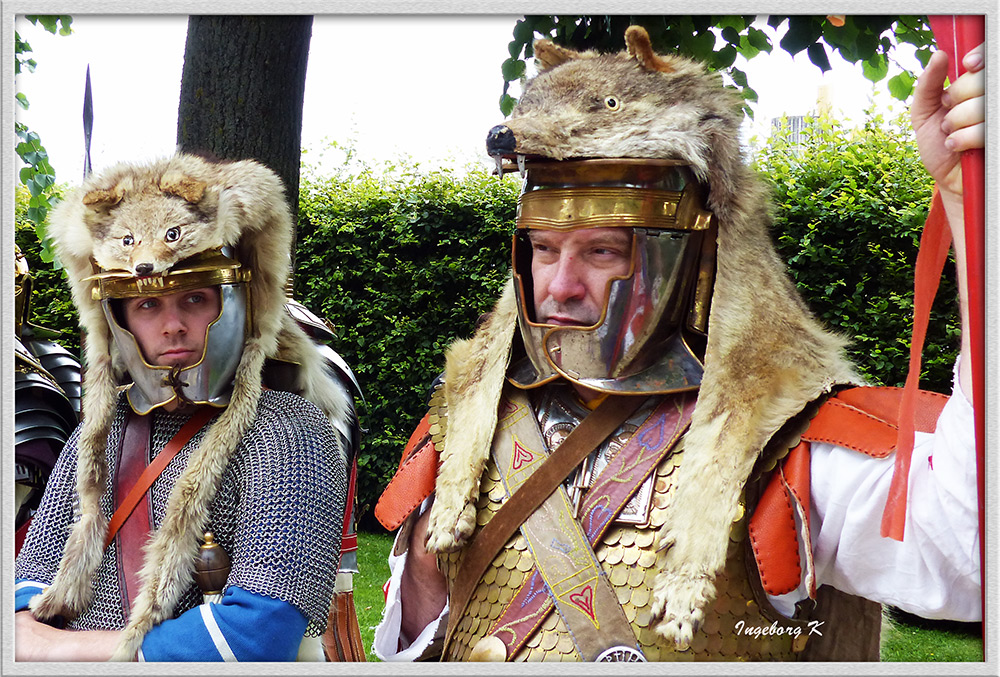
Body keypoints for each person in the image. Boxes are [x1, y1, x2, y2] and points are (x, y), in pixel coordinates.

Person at [372, 28, 983, 662]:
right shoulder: (469, 423)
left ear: (687, 261)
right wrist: (424, 570)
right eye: (544, 250)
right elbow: (411, 644)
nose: (560, 286)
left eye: (601, 251)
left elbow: (969, 559)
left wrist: (974, 212)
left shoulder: (787, 441)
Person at [14, 153, 358, 661]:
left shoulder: (289, 431)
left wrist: (48, 649)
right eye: (148, 305)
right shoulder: (103, 432)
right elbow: (29, 584)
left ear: (236, 304)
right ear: (118, 318)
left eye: (195, 299)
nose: (171, 325)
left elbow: (257, 638)